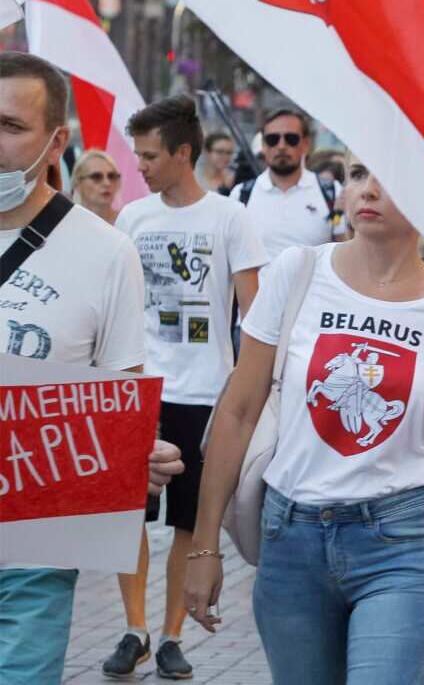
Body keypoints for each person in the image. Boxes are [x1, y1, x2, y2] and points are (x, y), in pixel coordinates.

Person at [183, 152, 424, 683]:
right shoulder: (296, 272)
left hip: (400, 542)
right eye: (356, 175)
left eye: (388, 177)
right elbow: (237, 411)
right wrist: (204, 546)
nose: (368, 190)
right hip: (290, 540)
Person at [0, 51, 183, 684]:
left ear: (58, 141)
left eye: (9, 126)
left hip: (34, 536)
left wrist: (135, 453)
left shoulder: (108, 254)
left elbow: (117, 397)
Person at [109, 95, 269, 680]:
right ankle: (134, 630)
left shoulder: (230, 218)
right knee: (127, 515)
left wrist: (251, 388)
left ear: (183, 153)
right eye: (138, 155)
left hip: (204, 394)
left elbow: (255, 313)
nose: (141, 166)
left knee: (185, 521)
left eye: (150, 156)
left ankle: (173, 635)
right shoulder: (133, 218)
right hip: (140, 386)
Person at [228, 109, 348, 262]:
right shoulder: (241, 195)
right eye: (273, 139)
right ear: (263, 145)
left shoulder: (332, 191)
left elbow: (344, 250)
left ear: (305, 144)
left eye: (291, 139)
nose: (281, 146)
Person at [69, 148, 122, 224]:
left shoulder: (126, 222)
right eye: (96, 176)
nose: (107, 183)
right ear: (77, 183)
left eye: (111, 176)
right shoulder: (67, 223)